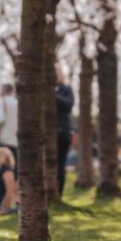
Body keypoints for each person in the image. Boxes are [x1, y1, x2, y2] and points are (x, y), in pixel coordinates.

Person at [55, 68, 75, 196]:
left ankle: (59, 193)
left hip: (62, 132)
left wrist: (53, 95)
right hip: (44, 132)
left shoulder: (66, 89)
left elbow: (69, 105)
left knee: (60, 164)